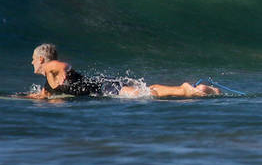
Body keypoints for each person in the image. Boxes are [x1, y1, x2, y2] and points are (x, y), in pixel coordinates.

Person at [23, 44, 221, 99]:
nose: (31, 62)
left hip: (104, 86)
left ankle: (186, 90)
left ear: (40, 59)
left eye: (33, 59)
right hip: (103, 85)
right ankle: (192, 89)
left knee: (144, 95)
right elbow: (42, 96)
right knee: (148, 91)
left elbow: (63, 65)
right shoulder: (48, 83)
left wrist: (65, 71)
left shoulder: (50, 68)